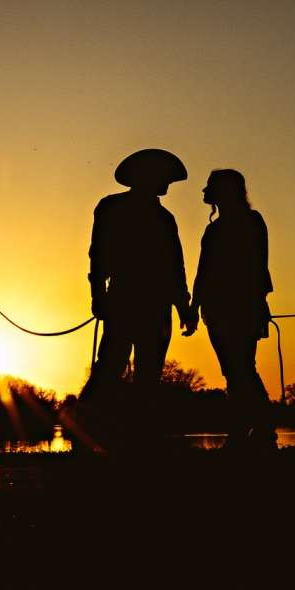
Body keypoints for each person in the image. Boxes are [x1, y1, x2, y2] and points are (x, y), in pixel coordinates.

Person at [79, 148, 193, 421]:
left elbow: (175, 267)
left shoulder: (130, 211)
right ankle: (88, 425)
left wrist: (183, 305)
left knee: (141, 371)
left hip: (136, 300)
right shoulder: (120, 209)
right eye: (164, 177)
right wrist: (98, 295)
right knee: (113, 366)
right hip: (135, 300)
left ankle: (132, 434)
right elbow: (99, 255)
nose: (168, 184)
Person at [185, 168, 275, 450]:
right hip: (218, 309)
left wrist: (257, 303)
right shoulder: (216, 229)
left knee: (241, 368)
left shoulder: (249, 222)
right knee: (236, 369)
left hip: (239, 306)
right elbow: (203, 271)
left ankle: (255, 429)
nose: (203, 191)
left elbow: (256, 267)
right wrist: (195, 306)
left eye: (209, 186)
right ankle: (252, 428)